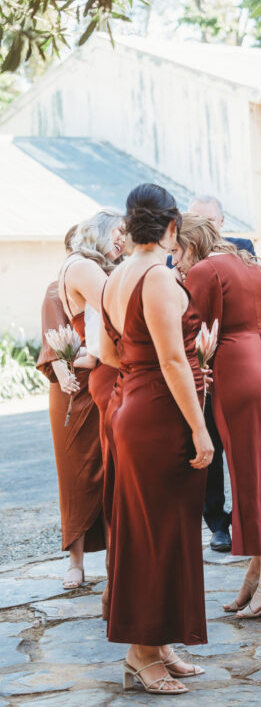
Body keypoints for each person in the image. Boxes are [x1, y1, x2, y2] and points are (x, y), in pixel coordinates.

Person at [100, 184, 213, 695]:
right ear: (172, 227)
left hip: (133, 407)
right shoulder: (160, 278)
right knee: (157, 535)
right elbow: (171, 360)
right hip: (161, 416)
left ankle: (160, 642)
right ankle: (141, 654)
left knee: (157, 530)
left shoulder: (114, 277)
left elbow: (107, 353)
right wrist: (199, 428)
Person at [174, 213, 261, 619]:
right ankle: (257, 574)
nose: (175, 262)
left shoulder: (204, 271)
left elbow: (189, 332)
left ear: (191, 244)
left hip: (237, 372)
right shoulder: (249, 263)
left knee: (253, 479)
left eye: (176, 252)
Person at [56, 210, 125, 595]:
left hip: (108, 367)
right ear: (98, 232)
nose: (123, 239)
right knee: (114, 473)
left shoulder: (90, 266)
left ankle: (121, 563)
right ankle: (117, 569)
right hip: (108, 372)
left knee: (116, 471)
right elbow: (121, 306)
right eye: (118, 231)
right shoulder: (82, 266)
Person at [37, 223, 107, 591]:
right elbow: (52, 343)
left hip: (103, 385)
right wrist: (66, 373)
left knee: (111, 473)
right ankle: (75, 561)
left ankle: (115, 557)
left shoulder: (104, 285)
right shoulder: (56, 289)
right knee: (73, 477)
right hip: (70, 389)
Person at [187, 195, 256, 552]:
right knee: (208, 446)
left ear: (222, 222)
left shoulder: (243, 249)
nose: (201, 227)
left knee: (242, 447)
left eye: (208, 221)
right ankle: (216, 522)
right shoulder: (176, 259)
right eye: (194, 220)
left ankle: (245, 518)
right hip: (199, 368)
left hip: (237, 361)